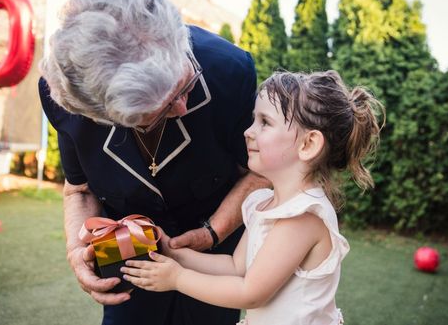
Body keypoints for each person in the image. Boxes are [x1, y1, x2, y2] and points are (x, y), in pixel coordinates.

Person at [38, 0, 269, 324]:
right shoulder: (65, 97)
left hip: (215, 262)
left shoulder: (229, 70)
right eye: (158, 111)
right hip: (125, 257)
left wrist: (211, 233)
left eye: (185, 86)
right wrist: (77, 252)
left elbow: (258, 172)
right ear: (102, 114)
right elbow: (80, 189)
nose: (183, 107)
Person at [121, 70, 386, 325]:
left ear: (308, 145)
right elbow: (236, 267)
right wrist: (172, 252)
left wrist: (178, 279)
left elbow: (250, 292)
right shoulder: (263, 203)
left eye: (265, 122)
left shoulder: (302, 217)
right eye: (253, 120)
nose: (248, 131)